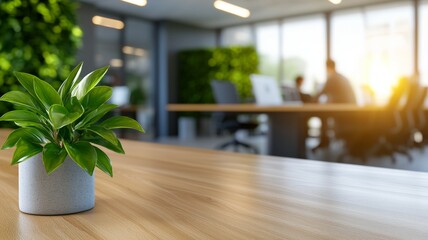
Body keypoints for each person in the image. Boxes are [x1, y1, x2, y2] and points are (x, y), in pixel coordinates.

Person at [312, 59, 357, 152]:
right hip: (350, 110)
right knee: (324, 114)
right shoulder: (341, 77)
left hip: (343, 111)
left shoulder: (333, 77)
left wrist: (311, 100)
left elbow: (322, 92)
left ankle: (324, 141)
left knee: (322, 115)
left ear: (327, 67)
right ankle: (325, 141)